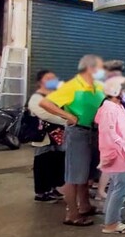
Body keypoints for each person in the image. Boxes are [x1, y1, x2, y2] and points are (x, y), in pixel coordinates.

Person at [40, 54, 105, 226]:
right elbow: (46, 103)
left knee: (86, 174)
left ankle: (84, 206)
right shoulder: (72, 86)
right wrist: (67, 115)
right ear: (90, 69)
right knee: (74, 175)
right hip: (78, 133)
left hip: (94, 132)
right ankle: (72, 214)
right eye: (100, 68)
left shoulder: (97, 86)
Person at [94, 76, 125, 235]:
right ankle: (111, 223)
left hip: (122, 154)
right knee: (123, 187)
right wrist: (122, 149)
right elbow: (108, 135)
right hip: (118, 156)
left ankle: (110, 217)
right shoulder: (109, 109)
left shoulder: (116, 107)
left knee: (116, 186)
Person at [28, 70, 66, 202]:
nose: (52, 80)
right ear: (40, 81)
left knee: (57, 161)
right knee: (42, 162)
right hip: (44, 136)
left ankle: (53, 188)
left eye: (53, 78)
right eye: (48, 78)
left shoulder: (56, 95)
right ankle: (41, 192)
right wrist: (66, 120)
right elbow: (45, 115)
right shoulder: (36, 98)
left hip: (59, 135)